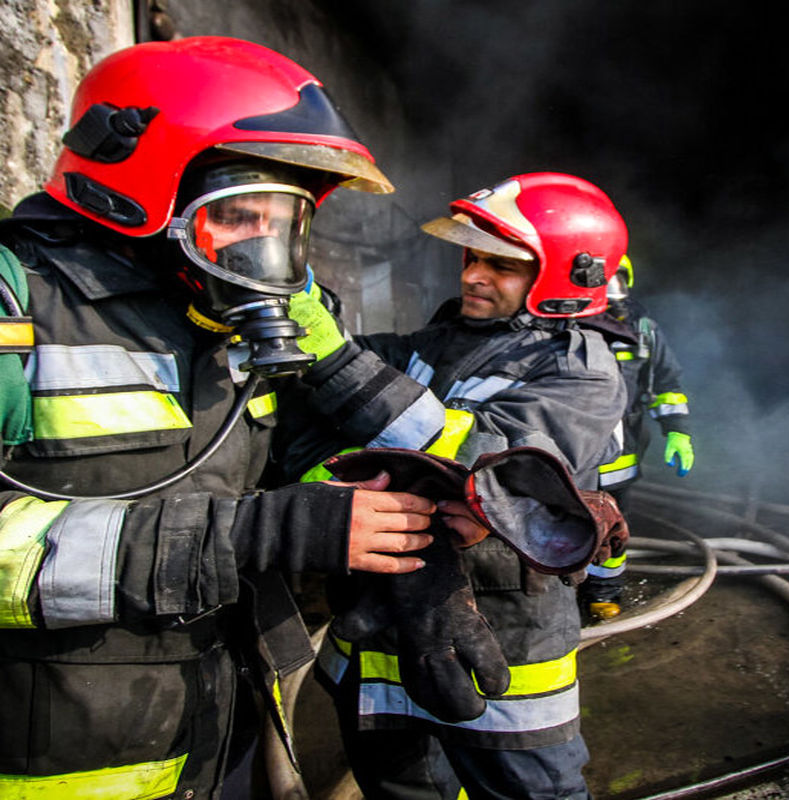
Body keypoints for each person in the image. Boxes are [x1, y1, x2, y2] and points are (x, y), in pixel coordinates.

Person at [0, 37, 462, 800]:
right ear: (141, 191)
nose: (263, 255)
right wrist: (266, 532)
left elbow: (276, 475)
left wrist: (393, 522)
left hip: (226, 739)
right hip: (60, 760)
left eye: (282, 226)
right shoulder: (20, 307)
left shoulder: (223, 328)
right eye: (238, 216)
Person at [277, 172, 628, 799]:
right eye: (471, 256)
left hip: (505, 639)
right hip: (377, 633)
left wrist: (337, 367)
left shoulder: (580, 372)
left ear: (560, 277)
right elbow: (318, 407)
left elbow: (489, 461)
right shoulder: (435, 342)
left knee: (528, 791)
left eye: (501, 264)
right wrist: (298, 299)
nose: (471, 275)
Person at [578, 255, 694, 619]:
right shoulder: (554, 320)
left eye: (618, 277)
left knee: (612, 529)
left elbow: (666, 385)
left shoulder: (644, 329)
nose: (611, 287)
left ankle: (603, 592)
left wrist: (678, 433)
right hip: (567, 454)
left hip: (619, 459)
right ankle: (553, 595)